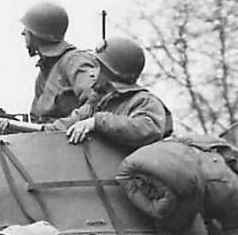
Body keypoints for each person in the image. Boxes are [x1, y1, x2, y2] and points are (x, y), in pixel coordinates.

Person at [44, 37, 173, 151]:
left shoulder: (143, 100)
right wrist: (36, 129)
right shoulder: (97, 101)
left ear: (113, 73)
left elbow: (149, 128)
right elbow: (69, 123)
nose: (91, 73)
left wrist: (97, 122)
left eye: (98, 68)